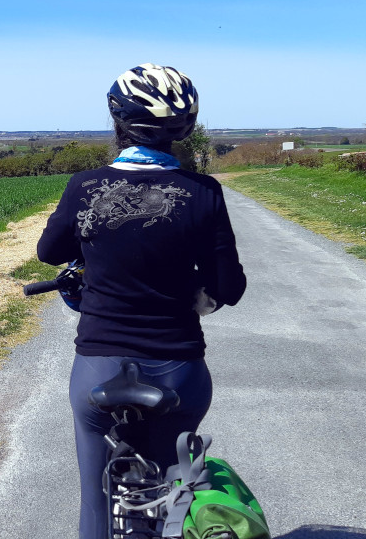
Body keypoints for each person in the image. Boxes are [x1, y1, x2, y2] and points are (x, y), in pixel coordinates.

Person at [36, 63, 247, 539]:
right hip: (177, 367)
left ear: (118, 121)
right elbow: (229, 288)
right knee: (176, 494)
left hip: (99, 367)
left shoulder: (85, 187)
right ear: (185, 128)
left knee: (94, 501)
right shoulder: (204, 193)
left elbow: (49, 252)